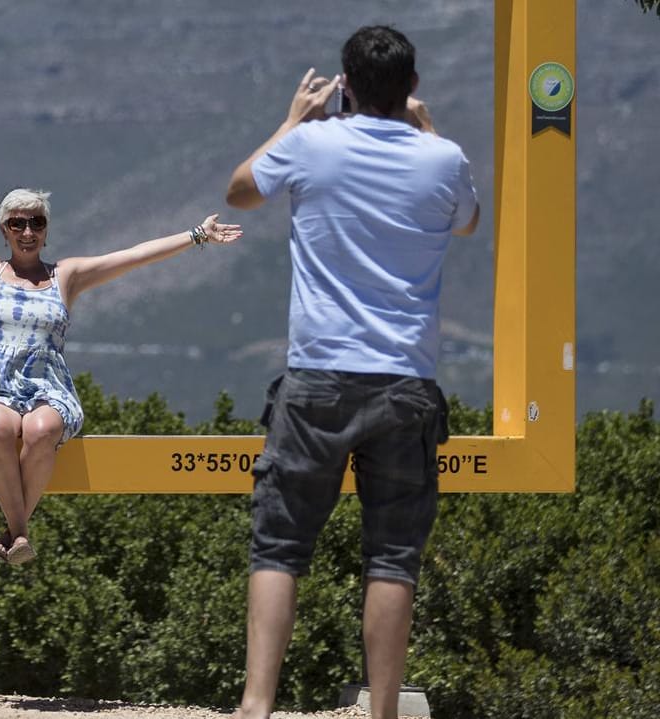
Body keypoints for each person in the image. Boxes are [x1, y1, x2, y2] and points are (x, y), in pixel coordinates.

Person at [224, 26, 480, 719]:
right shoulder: (444, 159)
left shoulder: (309, 146)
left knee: (279, 544)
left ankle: (256, 704)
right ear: (411, 86)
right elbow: (468, 222)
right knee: (392, 556)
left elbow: (241, 191)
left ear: (344, 85)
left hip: (316, 379)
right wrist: (428, 129)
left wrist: (290, 121)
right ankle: (385, 710)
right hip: (404, 381)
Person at [0, 106, 242, 565]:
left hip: (47, 387)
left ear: (46, 231)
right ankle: (19, 533)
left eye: (36, 223)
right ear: (4, 230)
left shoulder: (67, 275)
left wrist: (197, 235)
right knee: (0, 428)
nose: (27, 231)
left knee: (42, 431)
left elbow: (134, 256)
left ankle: (13, 534)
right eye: (18, 223)